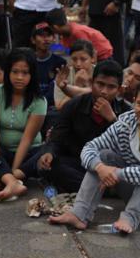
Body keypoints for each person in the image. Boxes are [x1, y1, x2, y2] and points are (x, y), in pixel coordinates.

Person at [49, 77, 140, 233]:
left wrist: (116, 173)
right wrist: (100, 167)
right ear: (134, 101)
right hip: (138, 188)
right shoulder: (126, 122)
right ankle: (79, 214)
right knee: (104, 156)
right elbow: (90, 147)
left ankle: (129, 218)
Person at [38, 61, 131, 193]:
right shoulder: (75, 105)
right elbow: (57, 136)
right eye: (100, 84)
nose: (104, 91)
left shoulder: (126, 112)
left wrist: (112, 119)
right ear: (92, 83)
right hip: (80, 163)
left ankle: (97, 189)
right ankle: (105, 190)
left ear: (119, 90)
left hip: (110, 168)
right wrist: (49, 152)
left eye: (111, 87)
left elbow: (128, 149)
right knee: (48, 166)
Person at [0, 48, 47, 201]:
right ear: (7, 72)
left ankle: (7, 178)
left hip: (28, 155)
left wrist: (14, 170)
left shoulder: (39, 101)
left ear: (32, 75)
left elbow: (26, 140)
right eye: (15, 71)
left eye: (25, 73)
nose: (19, 77)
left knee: (46, 152)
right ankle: (12, 182)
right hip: (1, 152)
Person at [45, 8, 113, 62]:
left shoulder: (77, 32)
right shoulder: (65, 34)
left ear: (55, 27)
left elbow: (87, 52)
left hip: (103, 56)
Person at [80, 0, 129, 65]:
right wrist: (83, 6)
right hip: (94, 13)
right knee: (93, 47)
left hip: (110, 14)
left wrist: (116, 2)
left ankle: (116, 70)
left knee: (113, 48)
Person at [53, 39, 96, 110]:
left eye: (83, 59)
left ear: (92, 58)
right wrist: (77, 86)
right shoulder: (64, 75)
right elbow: (60, 107)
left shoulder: (100, 72)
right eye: (74, 59)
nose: (78, 64)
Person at [31, 22, 66, 108]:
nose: (46, 39)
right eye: (41, 35)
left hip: (52, 107)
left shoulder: (60, 62)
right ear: (33, 40)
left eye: (48, 35)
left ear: (54, 38)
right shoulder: (28, 61)